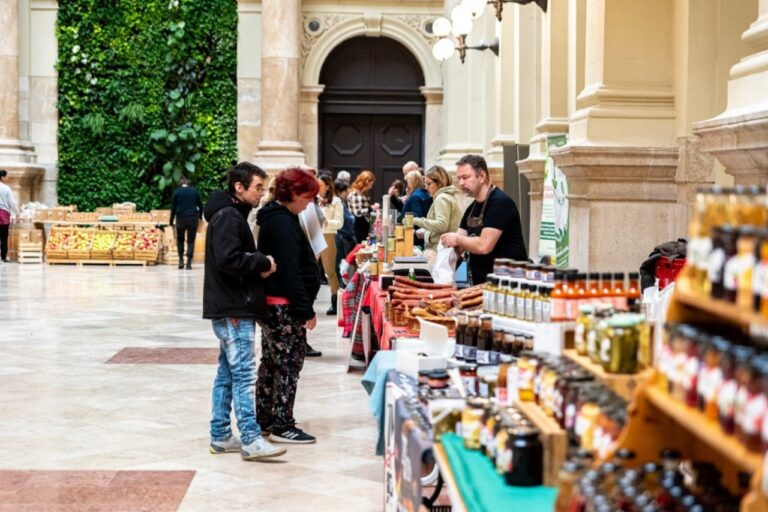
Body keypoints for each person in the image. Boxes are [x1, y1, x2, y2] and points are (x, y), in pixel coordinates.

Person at [202, 161, 286, 461]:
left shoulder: (230, 214)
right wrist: (261, 262)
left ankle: (221, 435)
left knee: (227, 372)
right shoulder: (228, 217)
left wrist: (255, 262)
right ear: (239, 187)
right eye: (257, 188)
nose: (262, 194)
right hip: (233, 305)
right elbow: (228, 259)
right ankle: (251, 439)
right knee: (244, 373)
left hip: (231, 303)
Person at [255, 167, 321, 444]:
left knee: (272, 362)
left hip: (276, 303)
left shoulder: (278, 217)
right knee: (287, 365)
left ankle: (267, 418)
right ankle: (282, 423)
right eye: (307, 197)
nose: (310, 203)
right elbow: (290, 270)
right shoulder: (281, 222)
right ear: (293, 193)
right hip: (283, 305)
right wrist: (305, 310)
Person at [441, 154, 527, 284]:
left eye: (465, 177)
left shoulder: (500, 202)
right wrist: (445, 254)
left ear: (481, 176)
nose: (461, 183)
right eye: (459, 178)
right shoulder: (472, 208)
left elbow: (483, 246)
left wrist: (457, 239)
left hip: (507, 284)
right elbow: (459, 244)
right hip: (481, 283)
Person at [414, 165, 461, 251]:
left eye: (428, 184)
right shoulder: (445, 196)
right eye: (425, 184)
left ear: (439, 183)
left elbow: (442, 225)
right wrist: (427, 232)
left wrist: (417, 221)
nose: (426, 187)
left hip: (439, 250)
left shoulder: (442, 198)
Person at [318, 172, 343, 315]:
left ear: (327, 186)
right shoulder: (311, 200)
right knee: (308, 270)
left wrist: (327, 222)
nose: (317, 188)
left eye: (320, 185)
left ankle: (335, 302)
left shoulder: (336, 201)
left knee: (330, 272)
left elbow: (339, 223)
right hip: (312, 236)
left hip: (328, 236)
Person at [170, 175, 203, 270]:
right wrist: (200, 216)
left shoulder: (176, 192)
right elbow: (200, 206)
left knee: (180, 240)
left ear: (180, 184)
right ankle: (188, 263)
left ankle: (180, 260)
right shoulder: (194, 191)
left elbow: (173, 208)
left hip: (180, 219)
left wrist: (171, 221)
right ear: (188, 183)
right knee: (191, 240)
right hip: (193, 218)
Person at [334, 180, 356, 286]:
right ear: (339, 191)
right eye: (345, 192)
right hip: (342, 238)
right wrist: (352, 218)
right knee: (342, 267)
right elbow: (348, 220)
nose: (347, 194)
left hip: (346, 237)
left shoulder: (343, 202)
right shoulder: (338, 203)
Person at [348, 170, 377, 243]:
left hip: (362, 225)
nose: (371, 187)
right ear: (366, 182)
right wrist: (371, 208)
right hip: (358, 226)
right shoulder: (355, 193)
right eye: (370, 184)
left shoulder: (360, 193)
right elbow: (358, 212)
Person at [0, 170, 19, 263]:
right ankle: (3, 258)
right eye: (6, 176)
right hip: (3, 214)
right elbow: (12, 202)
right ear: (2, 177)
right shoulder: (6, 188)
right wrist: (17, 213)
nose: (7, 178)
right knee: (3, 237)